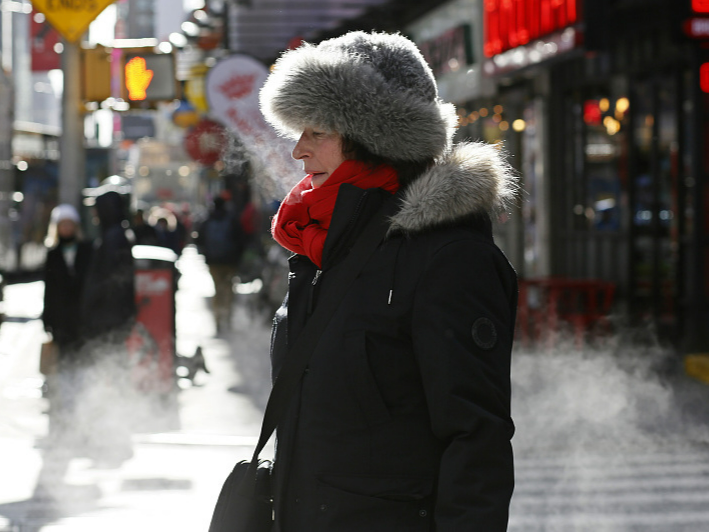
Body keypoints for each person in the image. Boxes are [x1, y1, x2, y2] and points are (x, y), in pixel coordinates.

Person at [259, 31, 518, 531]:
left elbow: (475, 440)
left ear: (372, 138)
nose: (297, 151)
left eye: (316, 131)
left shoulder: (449, 258)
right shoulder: (324, 245)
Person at [77, 189, 137, 464]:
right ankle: (110, 437)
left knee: (106, 379)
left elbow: (109, 283)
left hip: (107, 323)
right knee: (110, 379)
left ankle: (108, 439)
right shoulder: (117, 235)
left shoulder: (113, 238)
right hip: (112, 321)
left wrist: (91, 310)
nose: (94, 214)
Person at [42, 204, 93, 444]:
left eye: (69, 224)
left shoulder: (87, 250)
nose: (66, 228)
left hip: (83, 322)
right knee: (63, 371)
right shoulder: (52, 253)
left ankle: (81, 419)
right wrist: (47, 319)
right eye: (62, 224)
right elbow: (49, 290)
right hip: (62, 324)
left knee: (82, 370)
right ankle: (66, 417)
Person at [195, 195, 244, 333]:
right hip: (230, 261)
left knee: (217, 289)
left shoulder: (207, 219)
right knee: (228, 288)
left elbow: (199, 240)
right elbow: (241, 239)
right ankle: (227, 318)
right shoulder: (232, 219)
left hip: (213, 262)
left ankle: (217, 320)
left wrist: (206, 255)